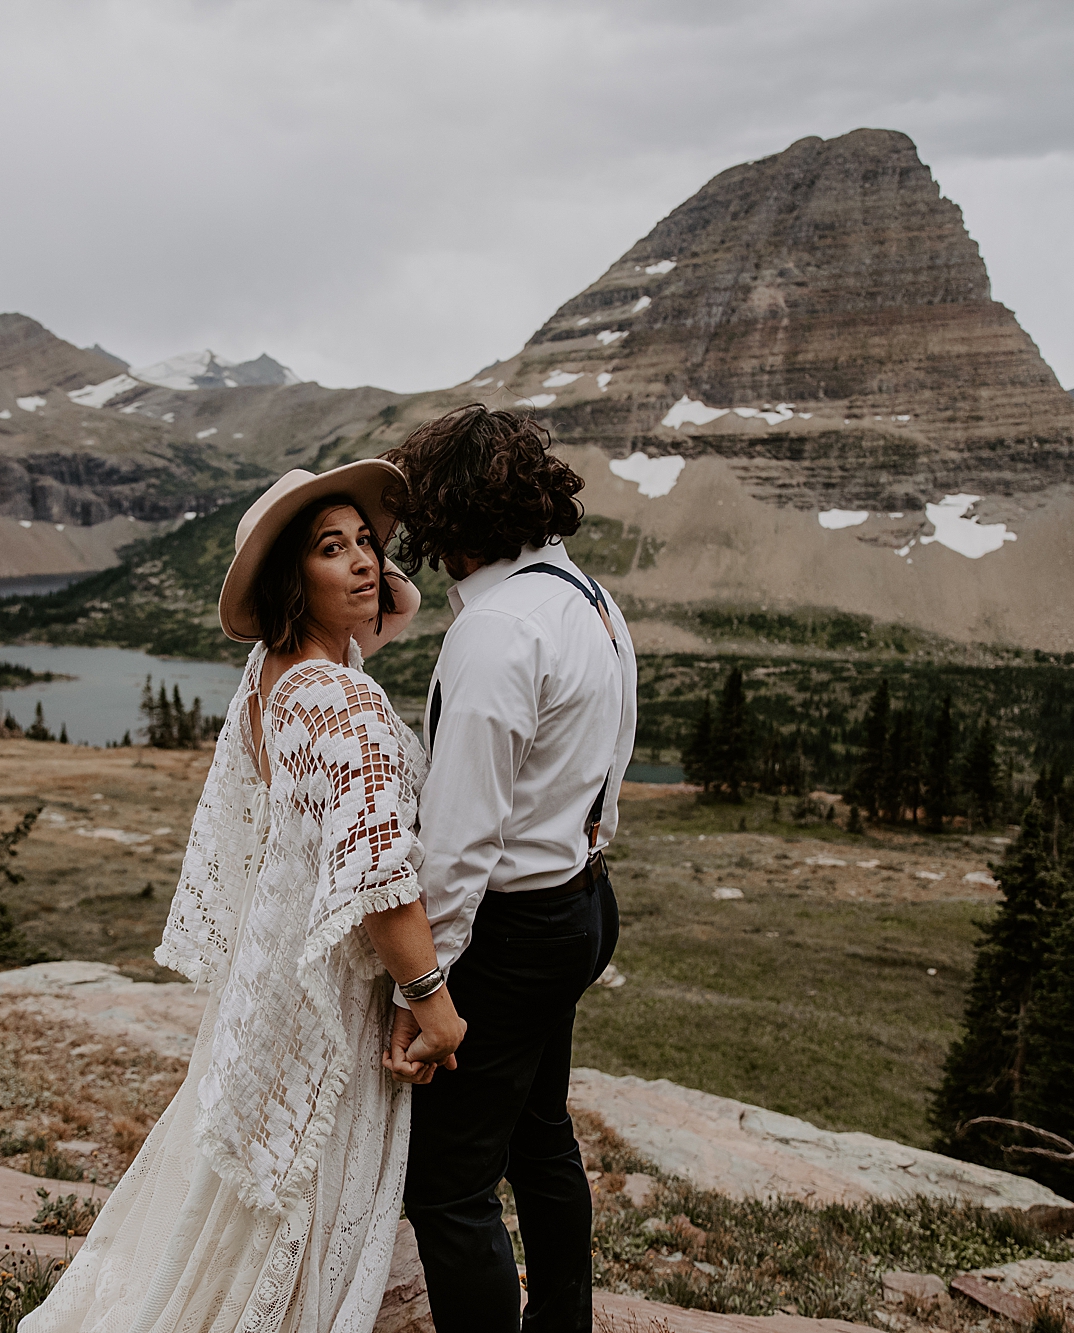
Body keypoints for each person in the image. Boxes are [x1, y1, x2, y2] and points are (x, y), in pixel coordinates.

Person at [22, 459, 464, 1333]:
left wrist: (352, 584)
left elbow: (380, 620)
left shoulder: (271, 677)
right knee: (306, 1202)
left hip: (269, 994)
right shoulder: (342, 700)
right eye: (332, 549)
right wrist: (431, 1001)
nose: (367, 562)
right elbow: (378, 873)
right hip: (332, 1001)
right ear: (292, 577)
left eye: (369, 543)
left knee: (235, 1208)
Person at [382, 406, 639, 1333]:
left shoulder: (496, 633)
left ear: (445, 519)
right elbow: (609, 762)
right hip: (582, 898)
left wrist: (427, 985)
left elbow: (457, 841)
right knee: (538, 1135)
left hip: (515, 927)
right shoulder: (588, 599)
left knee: (448, 1185)